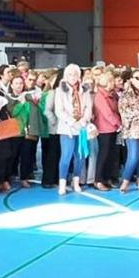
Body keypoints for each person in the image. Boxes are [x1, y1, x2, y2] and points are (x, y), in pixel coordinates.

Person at [53, 64, 92, 195]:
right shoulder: (60, 90)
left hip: (81, 127)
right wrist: (71, 121)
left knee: (80, 155)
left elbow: (88, 108)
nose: (73, 77)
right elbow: (59, 110)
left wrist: (83, 121)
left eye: (75, 74)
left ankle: (76, 181)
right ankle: (62, 182)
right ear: (66, 75)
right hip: (67, 128)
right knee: (66, 155)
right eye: (70, 74)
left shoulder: (85, 90)